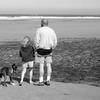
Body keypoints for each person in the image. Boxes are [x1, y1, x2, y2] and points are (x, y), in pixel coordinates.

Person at [34, 19, 57, 86]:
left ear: (41, 23)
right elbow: (55, 40)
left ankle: (41, 81)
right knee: (48, 65)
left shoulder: (39, 30)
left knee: (41, 65)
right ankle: (48, 80)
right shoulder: (51, 30)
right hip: (49, 49)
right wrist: (53, 47)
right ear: (47, 23)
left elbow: (36, 40)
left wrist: (36, 47)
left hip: (41, 50)